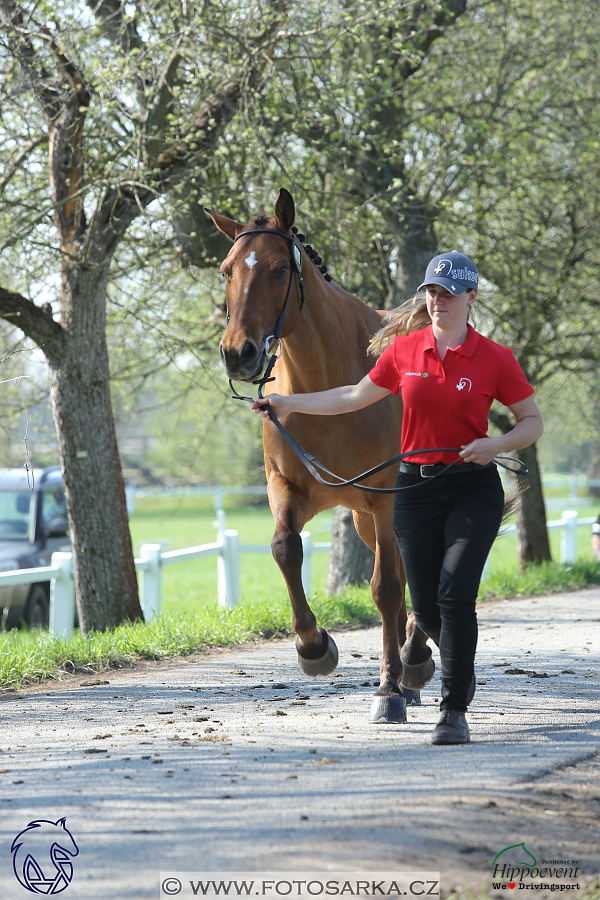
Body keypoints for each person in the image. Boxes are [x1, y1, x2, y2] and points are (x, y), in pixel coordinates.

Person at [253, 250, 543, 745]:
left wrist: (494, 445)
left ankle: (453, 708)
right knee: (426, 607)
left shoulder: (495, 358)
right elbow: (350, 396)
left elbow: (531, 421)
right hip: (414, 487)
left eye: (449, 294)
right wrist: (285, 400)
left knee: (455, 596)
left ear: (470, 298)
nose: (438, 302)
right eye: (431, 292)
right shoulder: (405, 352)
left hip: (471, 487)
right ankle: (452, 664)